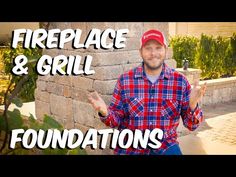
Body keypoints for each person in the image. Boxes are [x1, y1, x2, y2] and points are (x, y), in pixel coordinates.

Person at [88, 29, 207, 155]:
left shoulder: (180, 82)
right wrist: (105, 112)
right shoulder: (125, 80)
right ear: (141, 52)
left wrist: (192, 105)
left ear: (165, 50)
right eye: (148, 48)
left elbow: (191, 125)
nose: (153, 53)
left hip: (165, 146)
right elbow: (115, 120)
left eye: (158, 47)